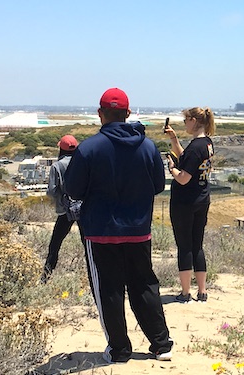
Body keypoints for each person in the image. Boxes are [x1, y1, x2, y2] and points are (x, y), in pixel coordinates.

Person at [63, 88, 173, 363]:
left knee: (108, 289)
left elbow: (73, 190)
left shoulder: (88, 149)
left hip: (100, 231)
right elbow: (159, 185)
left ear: (100, 114)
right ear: (128, 113)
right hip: (138, 229)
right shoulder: (147, 146)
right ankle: (161, 344)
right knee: (145, 284)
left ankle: (120, 349)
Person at [164, 107, 215, 303]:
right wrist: (174, 141)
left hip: (185, 202)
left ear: (194, 120)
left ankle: (185, 292)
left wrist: (172, 169)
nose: (185, 124)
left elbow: (184, 178)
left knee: (184, 246)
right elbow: (189, 159)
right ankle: (202, 291)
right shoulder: (206, 144)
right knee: (197, 246)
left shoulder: (196, 147)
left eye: (186, 120)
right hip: (202, 199)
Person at [41, 135, 86, 284]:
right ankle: (96, 275)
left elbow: (52, 191)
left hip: (64, 211)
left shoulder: (57, 166)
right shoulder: (83, 162)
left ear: (61, 148)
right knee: (88, 244)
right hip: (83, 209)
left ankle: (46, 277)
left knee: (55, 244)